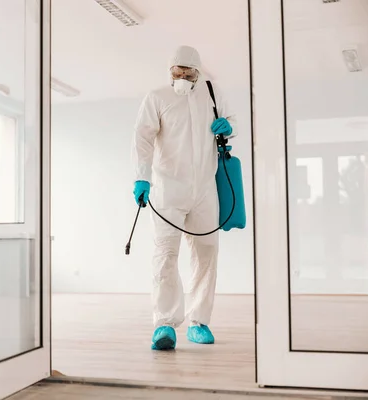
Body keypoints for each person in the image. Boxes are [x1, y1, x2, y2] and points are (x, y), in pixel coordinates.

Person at [132, 45, 237, 351]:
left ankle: (199, 321)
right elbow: (142, 137)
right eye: (175, 73)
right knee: (165, 255)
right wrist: (142, 176)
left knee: (206, 254)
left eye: (186, 73)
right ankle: (164, 324)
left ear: (197, 72)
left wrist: (230, 127)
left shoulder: (213, 94)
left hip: (205, 189)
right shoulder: (157, 97)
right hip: (167, 190)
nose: (180, 78)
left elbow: (234, 122)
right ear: (170, 72)